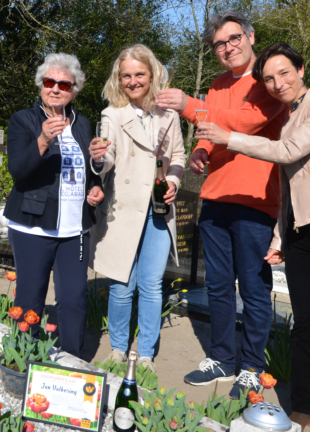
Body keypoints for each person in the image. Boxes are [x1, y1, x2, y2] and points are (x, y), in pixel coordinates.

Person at [196, 43, 310, 431]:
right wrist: (280, 236)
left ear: (302, 69)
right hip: (300, 233)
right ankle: (306, 411)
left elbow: (288, 152)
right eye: (269, 79)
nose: (278, 84)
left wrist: (228, 137)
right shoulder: (289, 118)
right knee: (305, 324)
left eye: (285, 73)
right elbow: (289, 184)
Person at [156, 9, 290, 399]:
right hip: (214, 197)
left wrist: (188, 104)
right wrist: (200, 150)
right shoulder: (216, 84)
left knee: (252, 287)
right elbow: (211, 131)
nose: (228, 47)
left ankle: (251, 366)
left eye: (233, 39)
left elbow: (244, 122)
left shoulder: (268, 81)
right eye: (219, 44)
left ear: (250, 37)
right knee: (216, 285)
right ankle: (220, 358)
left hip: (255, 201)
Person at [88, 44, 186, 373]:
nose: (133, 81)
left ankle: (145, 354)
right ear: (119, 78)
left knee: (151, 285)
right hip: (124, 209)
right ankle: (117, 349)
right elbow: (107, 158)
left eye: (139, 74)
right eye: (126, 75)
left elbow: (178, 158)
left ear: (152, 74)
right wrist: (99, 158)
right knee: (120, 284)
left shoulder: (169, 115)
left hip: (159, 209)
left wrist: (172, 182)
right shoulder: (111, 115)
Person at [4, 53, 105, 358]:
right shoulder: (24, 120)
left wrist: (96, 183)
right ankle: (24, 360)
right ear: (40, 85)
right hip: (32, 226)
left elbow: (87, 172)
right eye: (50, 82)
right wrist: (43, 140)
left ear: (75, 90)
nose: (56, 88)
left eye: (65, 84)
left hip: (75, 229)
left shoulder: (84, 123)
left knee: (74, 298)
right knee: (30, 299)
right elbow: (18, 170)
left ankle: (73, 363)